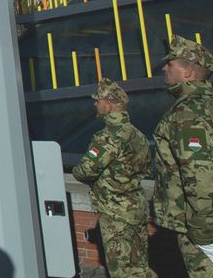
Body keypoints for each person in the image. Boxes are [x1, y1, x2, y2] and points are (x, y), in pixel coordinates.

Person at [71, 79, 156, 278]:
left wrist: (77, 171)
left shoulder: (108, 137)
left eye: (97, 100)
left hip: (116, 212)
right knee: (139, 266)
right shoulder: (138, 135)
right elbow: (145, 168)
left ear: (108, 105)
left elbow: (85, 170)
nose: (95, 104)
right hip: (136, 207)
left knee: (124, 270)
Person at [153, 35, 213, 277]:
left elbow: (200, 175)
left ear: (188, 72)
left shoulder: (188, 111)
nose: (164, 67)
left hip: (202, 225)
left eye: (171, 63)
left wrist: (203, 233)